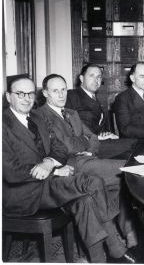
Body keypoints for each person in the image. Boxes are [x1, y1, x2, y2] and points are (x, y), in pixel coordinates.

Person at [2, 77, 136, 263]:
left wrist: (49, 162)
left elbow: (60, 148)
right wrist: (54, 171)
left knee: (87, 201)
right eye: (20, 94)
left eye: (30, 93)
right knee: (93, 181)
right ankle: (115, 246)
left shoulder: (36, 118)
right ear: (8, 97)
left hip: (48, 184)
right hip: (23, 192)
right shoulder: (3, 124)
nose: (26, 98)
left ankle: (99, 259)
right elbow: (11, 171)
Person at [35, 74, 137, 249]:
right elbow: (65, 146)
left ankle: (125, 232)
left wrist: (89, 148)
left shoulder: (71, 113)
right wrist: (83, 142)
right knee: (129, 170)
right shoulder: (41, 116)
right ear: (45, 93)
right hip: (72, 165)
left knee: (119, 184)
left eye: (63, 90)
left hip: (88, 159)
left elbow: (93, 137)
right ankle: (116, 233)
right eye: (55, 91)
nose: (61, 95)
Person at [65, 63, 117, 139]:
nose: (96, 80)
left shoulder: (96, 100)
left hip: (98, 142)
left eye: (99, 77)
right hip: (83, 145)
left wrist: (104, 134)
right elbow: (68, 126)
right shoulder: (71, 95)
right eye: (91, 76)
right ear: (82, 78)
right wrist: (98, 137)